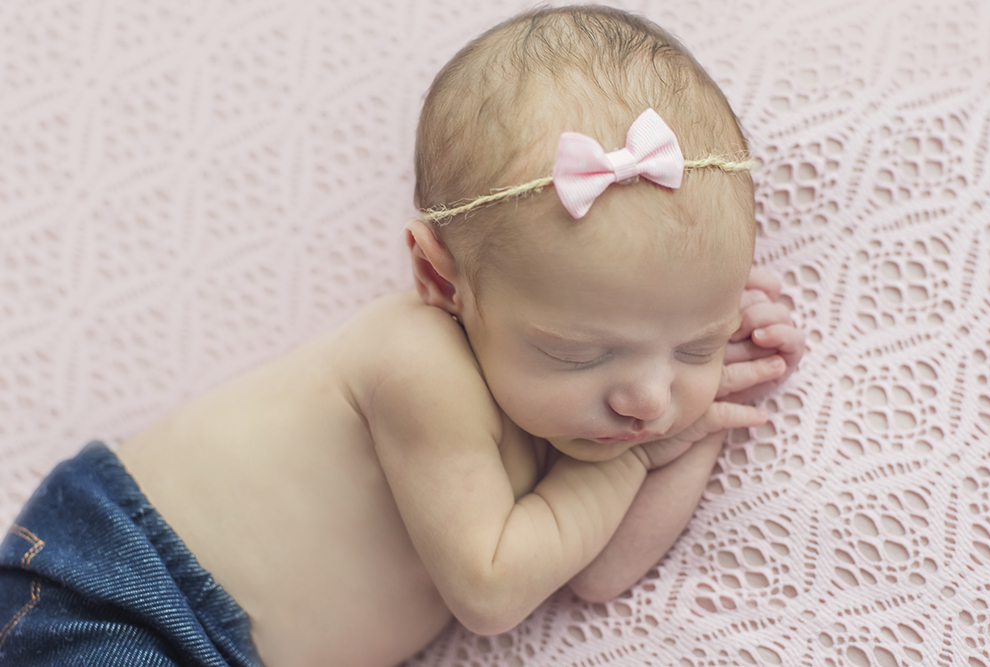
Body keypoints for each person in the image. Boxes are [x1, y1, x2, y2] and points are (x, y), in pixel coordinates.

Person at [0, 5, 805, 667]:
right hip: (121, 592)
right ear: (443, 281)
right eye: (582, 352)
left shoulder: (564, 410)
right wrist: (632, 456)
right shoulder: (419, 362)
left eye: (695, 344)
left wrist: (688, 439)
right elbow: (493, 588)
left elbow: (598, 570)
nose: (647, 395)